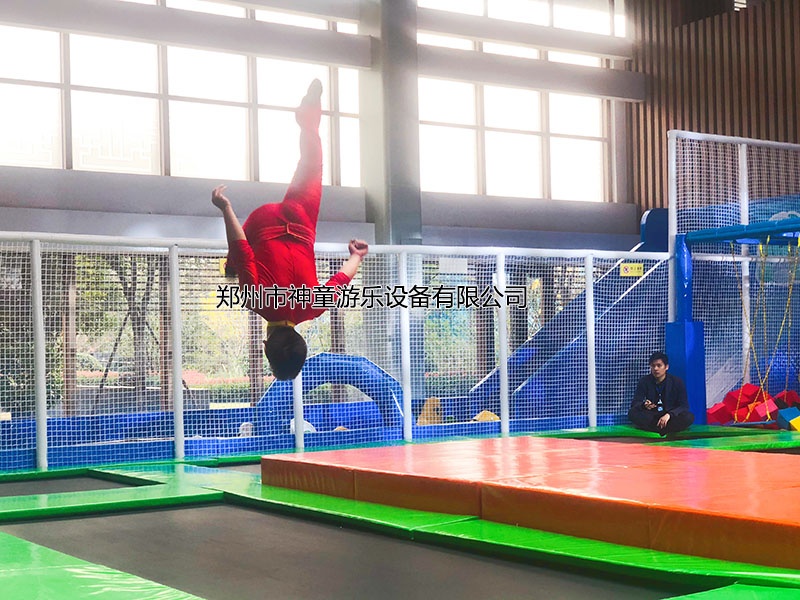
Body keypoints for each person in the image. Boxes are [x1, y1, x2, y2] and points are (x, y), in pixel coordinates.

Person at [212, 79, 368, 380]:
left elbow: (341, 280)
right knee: (235, 266)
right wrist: (225, 208)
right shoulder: (257, 302)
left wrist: (357, 255)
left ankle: (309, 119)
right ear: (265, 346)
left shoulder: (314, 308)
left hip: (300, 221)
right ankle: (227, 268)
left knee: (312, 165)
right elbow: (243, 251)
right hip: (263, 223)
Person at [628, 351, 694, 436]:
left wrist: (669, 415)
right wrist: (644, 405)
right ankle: (664, 428)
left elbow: (684, 406)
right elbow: (635, 403)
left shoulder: (677, 382)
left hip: (669, 416)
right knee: (632, 413)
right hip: (652, 415)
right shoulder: (644, 381)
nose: (656, 369)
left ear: (666, 367)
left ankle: (658, 428)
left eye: (659, 366)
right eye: (653, 366)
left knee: (689, 417)